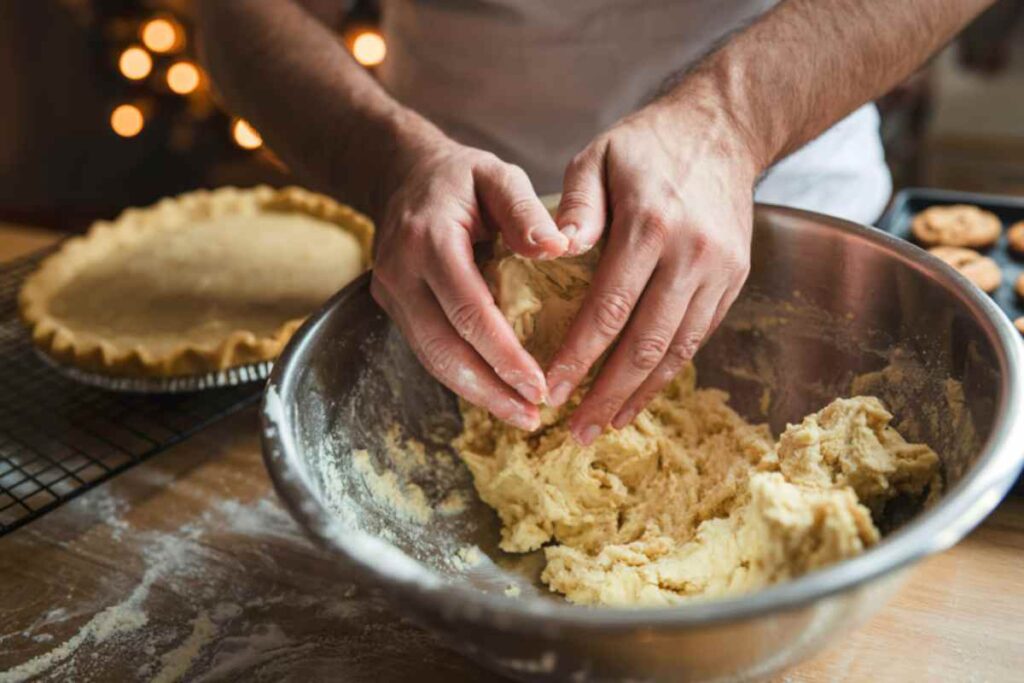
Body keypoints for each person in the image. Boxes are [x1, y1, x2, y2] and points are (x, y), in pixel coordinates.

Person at [199, 0, 993, 443]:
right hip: (451, 275)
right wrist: (389, 164)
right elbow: (241, 18)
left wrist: (735, 115)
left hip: (808, 218)